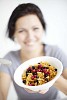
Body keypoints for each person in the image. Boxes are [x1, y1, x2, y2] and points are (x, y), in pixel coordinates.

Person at [0, 3, 67, 100]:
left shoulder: (55, 52)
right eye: (22, 31)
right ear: (13, 33)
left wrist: (51, 79)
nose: (30, 37)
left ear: (42, 28)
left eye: (35, 28)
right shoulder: (8, 60)